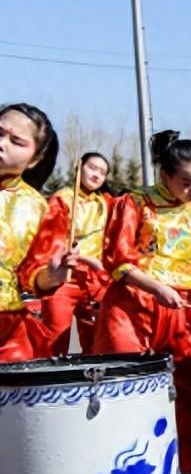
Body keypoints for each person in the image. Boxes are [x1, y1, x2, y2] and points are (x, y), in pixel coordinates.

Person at [92, 129, 191, 474]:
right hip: (133, 303)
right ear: (165, 176)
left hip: (182, 306)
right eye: (187, 182)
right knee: (124, 386)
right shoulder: (134, 204)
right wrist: (156, 286)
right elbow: (117, 259)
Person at [0, 103, 73, 362]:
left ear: (35, 159)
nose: (2, 143)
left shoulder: (39, 209)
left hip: (6, 330)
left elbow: (34, 275)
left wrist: (51, 276)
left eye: (16, 141)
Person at [41, 152, 114, 354]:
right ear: (79, 167)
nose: (97, 175)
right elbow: (51, 241)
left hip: (96, 279)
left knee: (97, 338)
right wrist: (83, 258)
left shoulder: (106, 202)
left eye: (102, 172)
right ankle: (53, 384)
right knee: (55, 337)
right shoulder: (61, 200)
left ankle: (94, 383)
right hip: (64, 277)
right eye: (92, 168)